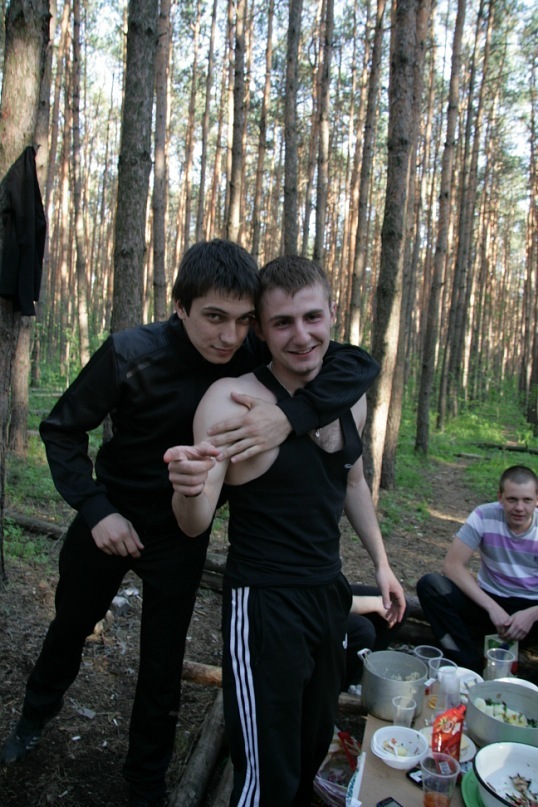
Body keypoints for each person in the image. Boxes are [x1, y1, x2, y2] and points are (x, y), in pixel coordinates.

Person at [0, 240, 381, 807]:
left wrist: (291, 417)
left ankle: (146, 782)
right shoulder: (132, 353)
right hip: (110, 519)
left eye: (243, 320)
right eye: (214, 318)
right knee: (70, 628)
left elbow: (355, 364)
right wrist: (98, 510)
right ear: (180, 307)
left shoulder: (253, 352)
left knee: (163, 662)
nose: (229, 336)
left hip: (183, 531)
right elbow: (62, 429)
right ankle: (34, 717)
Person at [165, 255, 406, 807]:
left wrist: (382, 564)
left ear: (332, 313)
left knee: (312, 745)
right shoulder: (230, 400)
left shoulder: (348, 397)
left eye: (312, 317)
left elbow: (352, 481)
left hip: (329, 594)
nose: (301, 336)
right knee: (265, 774)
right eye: (282, 323)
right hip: (264, 604)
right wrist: (188, 487)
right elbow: (194, 523)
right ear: (261, 330)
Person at [417, 465, 538, 674]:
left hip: (532, 608)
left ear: (536, 500)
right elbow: (452, 565)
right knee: (430, 585)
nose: (519, 507)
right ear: (500, 497)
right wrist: (492, 608)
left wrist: (531, 614)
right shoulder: (484, 515)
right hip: (489, 602)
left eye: (527, 500)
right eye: (512, 499)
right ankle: (469, 665)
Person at [344, 584, 409, 691]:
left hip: (329, 589)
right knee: (362, 631)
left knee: (396, 605)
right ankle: (345, 686)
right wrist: (375, 603)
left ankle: (368, 672)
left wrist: (382, 572)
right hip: (317, 607)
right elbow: (328, 602)